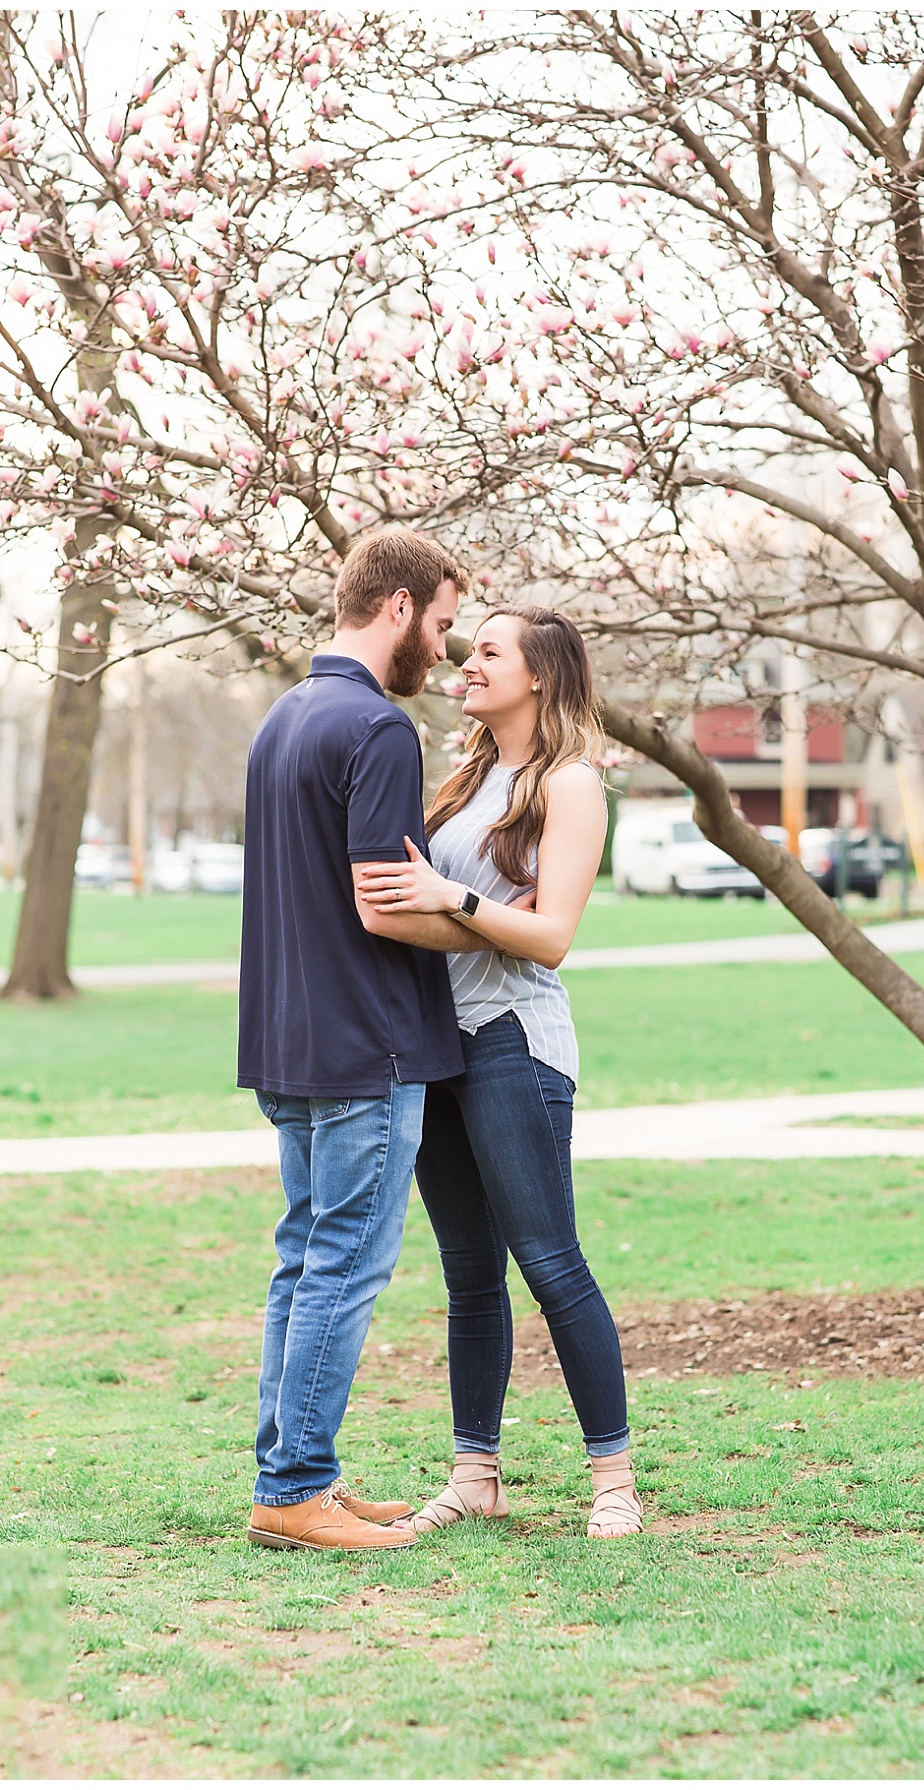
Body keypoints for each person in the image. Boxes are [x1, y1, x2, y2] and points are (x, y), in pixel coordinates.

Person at [358, 606, 641, 1540]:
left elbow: (551, 937)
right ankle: (475, 1474)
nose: (465, 661)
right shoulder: (467, 778)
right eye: (468, 645)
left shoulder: (571, 785)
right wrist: (456, 907)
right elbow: (424, 916)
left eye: (488, 652)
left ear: (540, 678)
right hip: (439, 1044)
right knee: (469, 1275)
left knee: (551, 1262)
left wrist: (454, 896)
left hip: (513, 1039)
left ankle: (613, 1483)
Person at [238, 527, 489, 1552]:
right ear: (397, 609)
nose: (444, 647)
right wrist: (496, 922)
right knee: (343, 1263)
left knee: (305, 1261)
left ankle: (302, 1473)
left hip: (290, 1041)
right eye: (438, 623)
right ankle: (293, 1487)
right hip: (368, 1044)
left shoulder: (282, 720)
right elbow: (387, 905)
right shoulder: (379, 730)